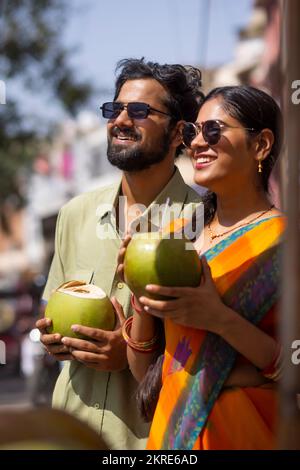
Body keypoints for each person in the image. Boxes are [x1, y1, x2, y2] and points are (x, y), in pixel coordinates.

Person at [35, 58, 203, 450]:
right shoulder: (75, 213)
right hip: (70, 433)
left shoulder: (203, 224)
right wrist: (51, 336)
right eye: (115, 109)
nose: (121, 120)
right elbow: (52, 309)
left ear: (178, 132)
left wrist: (129, 357)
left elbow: (212, 354)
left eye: (141, 111)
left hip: (149, 442)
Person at [119, 85, 285, 450]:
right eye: (193, 132)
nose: (196, 144)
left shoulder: (284, 244)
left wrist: (219, 318)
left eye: (213, 131)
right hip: (171, 439)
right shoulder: (174, 239)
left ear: (261, 145)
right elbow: (144, 368)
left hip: (248, 434)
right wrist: (139, 291)